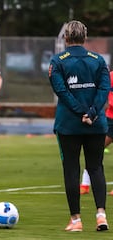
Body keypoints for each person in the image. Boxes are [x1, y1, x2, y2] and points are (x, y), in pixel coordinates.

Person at [48, 20, 110, 232]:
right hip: (96, 124)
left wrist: (80, 112)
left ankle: (76, 220)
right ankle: (101, 215)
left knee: (71, 169)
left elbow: (62, 92)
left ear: (66, 38)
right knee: (96, 168)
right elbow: (104, 90)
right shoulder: (98, 60)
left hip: (69, 125)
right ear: (85, 38)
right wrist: (92, 112)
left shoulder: (57, 61)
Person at [80, 70, 113, 195]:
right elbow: (101, 92)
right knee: (95, 150)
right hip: (110, 119)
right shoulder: (110, 76)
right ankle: (85, 184)